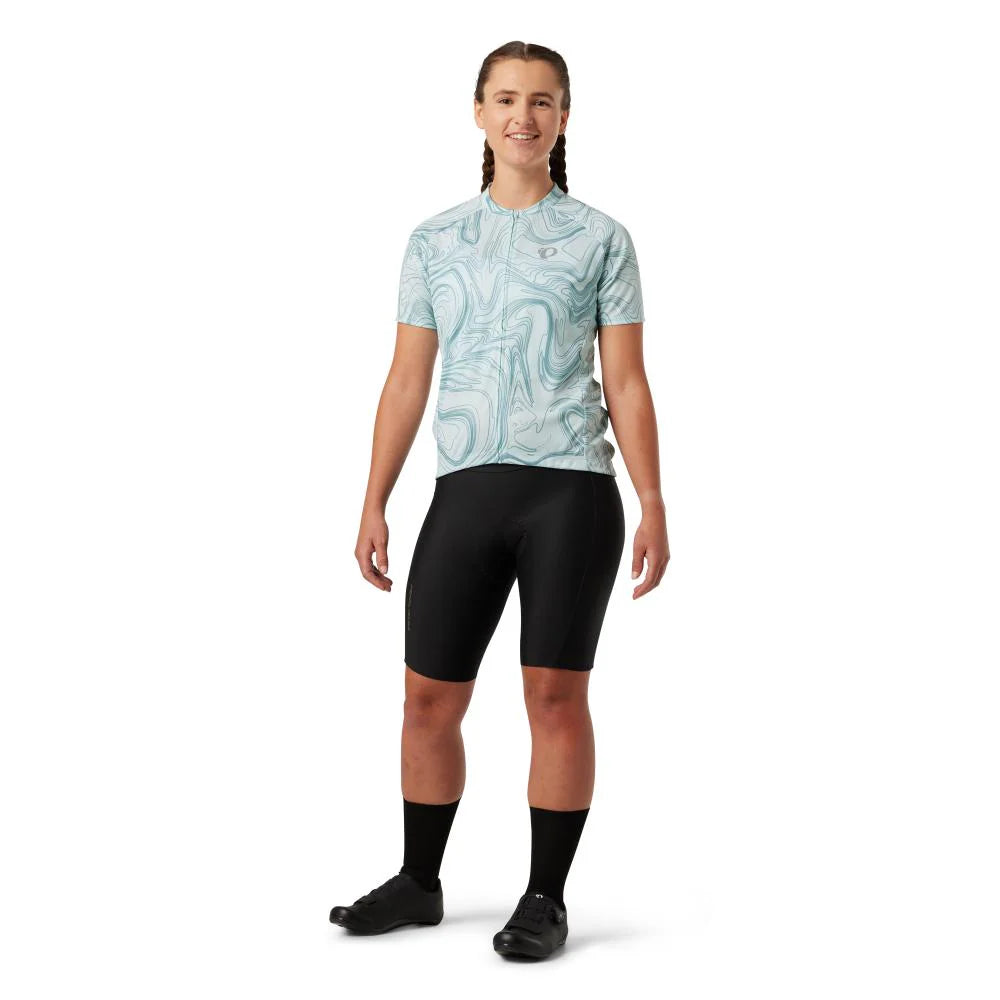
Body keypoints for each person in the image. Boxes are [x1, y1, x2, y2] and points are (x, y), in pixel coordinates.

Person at [329, 41, 669, 959]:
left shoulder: (602, 238)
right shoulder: (435, 241)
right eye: (508, 99)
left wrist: (652, 498)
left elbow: (626, 382)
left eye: (543, 101)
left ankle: (545, 898)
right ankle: (419, 880)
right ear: (479, 113)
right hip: (466, 494)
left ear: (565, 118)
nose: (525, 116)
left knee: (553, 699)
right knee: (425, 700)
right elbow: (407, 379)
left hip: (571, 494)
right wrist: (374, 500)